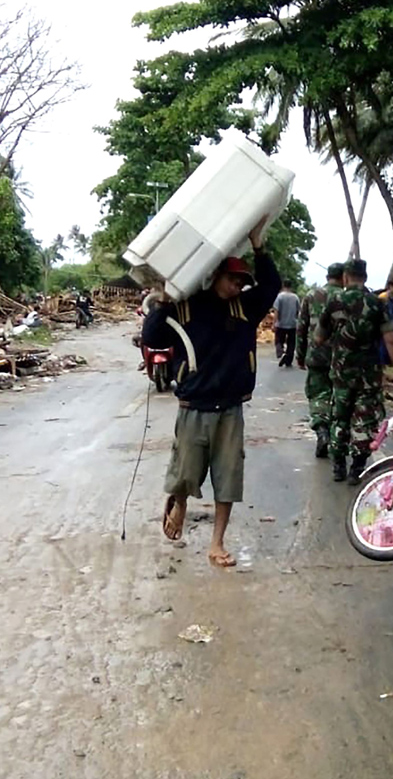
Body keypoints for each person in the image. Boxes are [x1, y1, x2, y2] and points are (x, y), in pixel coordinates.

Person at [142, 216, 280, 568]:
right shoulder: (187, 305)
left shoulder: (244, 308)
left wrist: (258, 244)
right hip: (194, 406)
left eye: (241, 282)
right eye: (233, 279)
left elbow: (271, 286)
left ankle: (217, 543)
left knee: (228, 478)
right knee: (185, 472)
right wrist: (161, 300)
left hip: (231, 408)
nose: (238, 286)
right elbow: (153, 339)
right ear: (216, 276)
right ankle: (180, 500)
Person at [318, 259, 393, 484]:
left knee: (340, 417)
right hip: (368, 375)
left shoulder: (333, 301)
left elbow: (319, 337)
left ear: (346, 277)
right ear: (365, 277)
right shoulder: (376, 303)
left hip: (341, 373)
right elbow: (391, 340)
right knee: (364, 422)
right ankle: (357, 469)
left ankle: (338, 466)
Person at [295, 262, 345, 458]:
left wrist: (300, 354)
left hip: (316, 354)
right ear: (343, 277)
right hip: (341, 356)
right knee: (338, 395)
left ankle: (321, 431)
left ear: (327, 277)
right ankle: (337, 437)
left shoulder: (311, 295)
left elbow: (301, 327)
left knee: (317, 395)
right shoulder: (345, 298)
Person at [272, 282, 301, 368]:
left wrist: (274, 323)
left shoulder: (279, 297)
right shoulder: (295, 297)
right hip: (292, 324)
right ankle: (288, 360)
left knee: (279, 340)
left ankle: (281, 351)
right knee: (291, 343)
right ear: (291, 286)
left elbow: (276, 310)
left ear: (283, 286)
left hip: (281, 324)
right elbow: (298, 311)